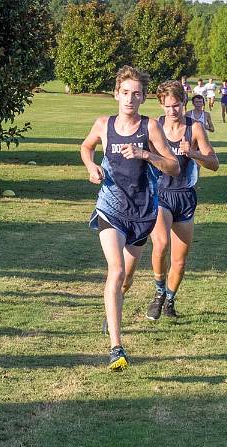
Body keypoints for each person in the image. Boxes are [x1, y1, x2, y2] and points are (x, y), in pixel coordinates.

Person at [80, 65, 180, 371]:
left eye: (136, 94)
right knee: (117, 270)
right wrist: (91, 166)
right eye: (125, 93)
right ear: (116, 94)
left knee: (126, 278)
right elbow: (86, 147)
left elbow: (174, 166)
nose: (130, 99)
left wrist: (145, 155)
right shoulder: (103, 124)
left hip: (143, 213)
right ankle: (116, 348)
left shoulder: (150, 128)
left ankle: (111, 313)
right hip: (110, 207)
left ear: (143, 98)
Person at [146, 80, 219, 321]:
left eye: (176, 106)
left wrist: (193, 153)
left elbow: (214, 164)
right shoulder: (154, 126)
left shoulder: (195, 128)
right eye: (167, 106)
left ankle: (170, 299)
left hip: (185, 196)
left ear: (183, 103)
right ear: (161, 105)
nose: (172, 111)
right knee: (161, 243)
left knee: (179, 259)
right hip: (161, 194)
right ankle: (158, 294)